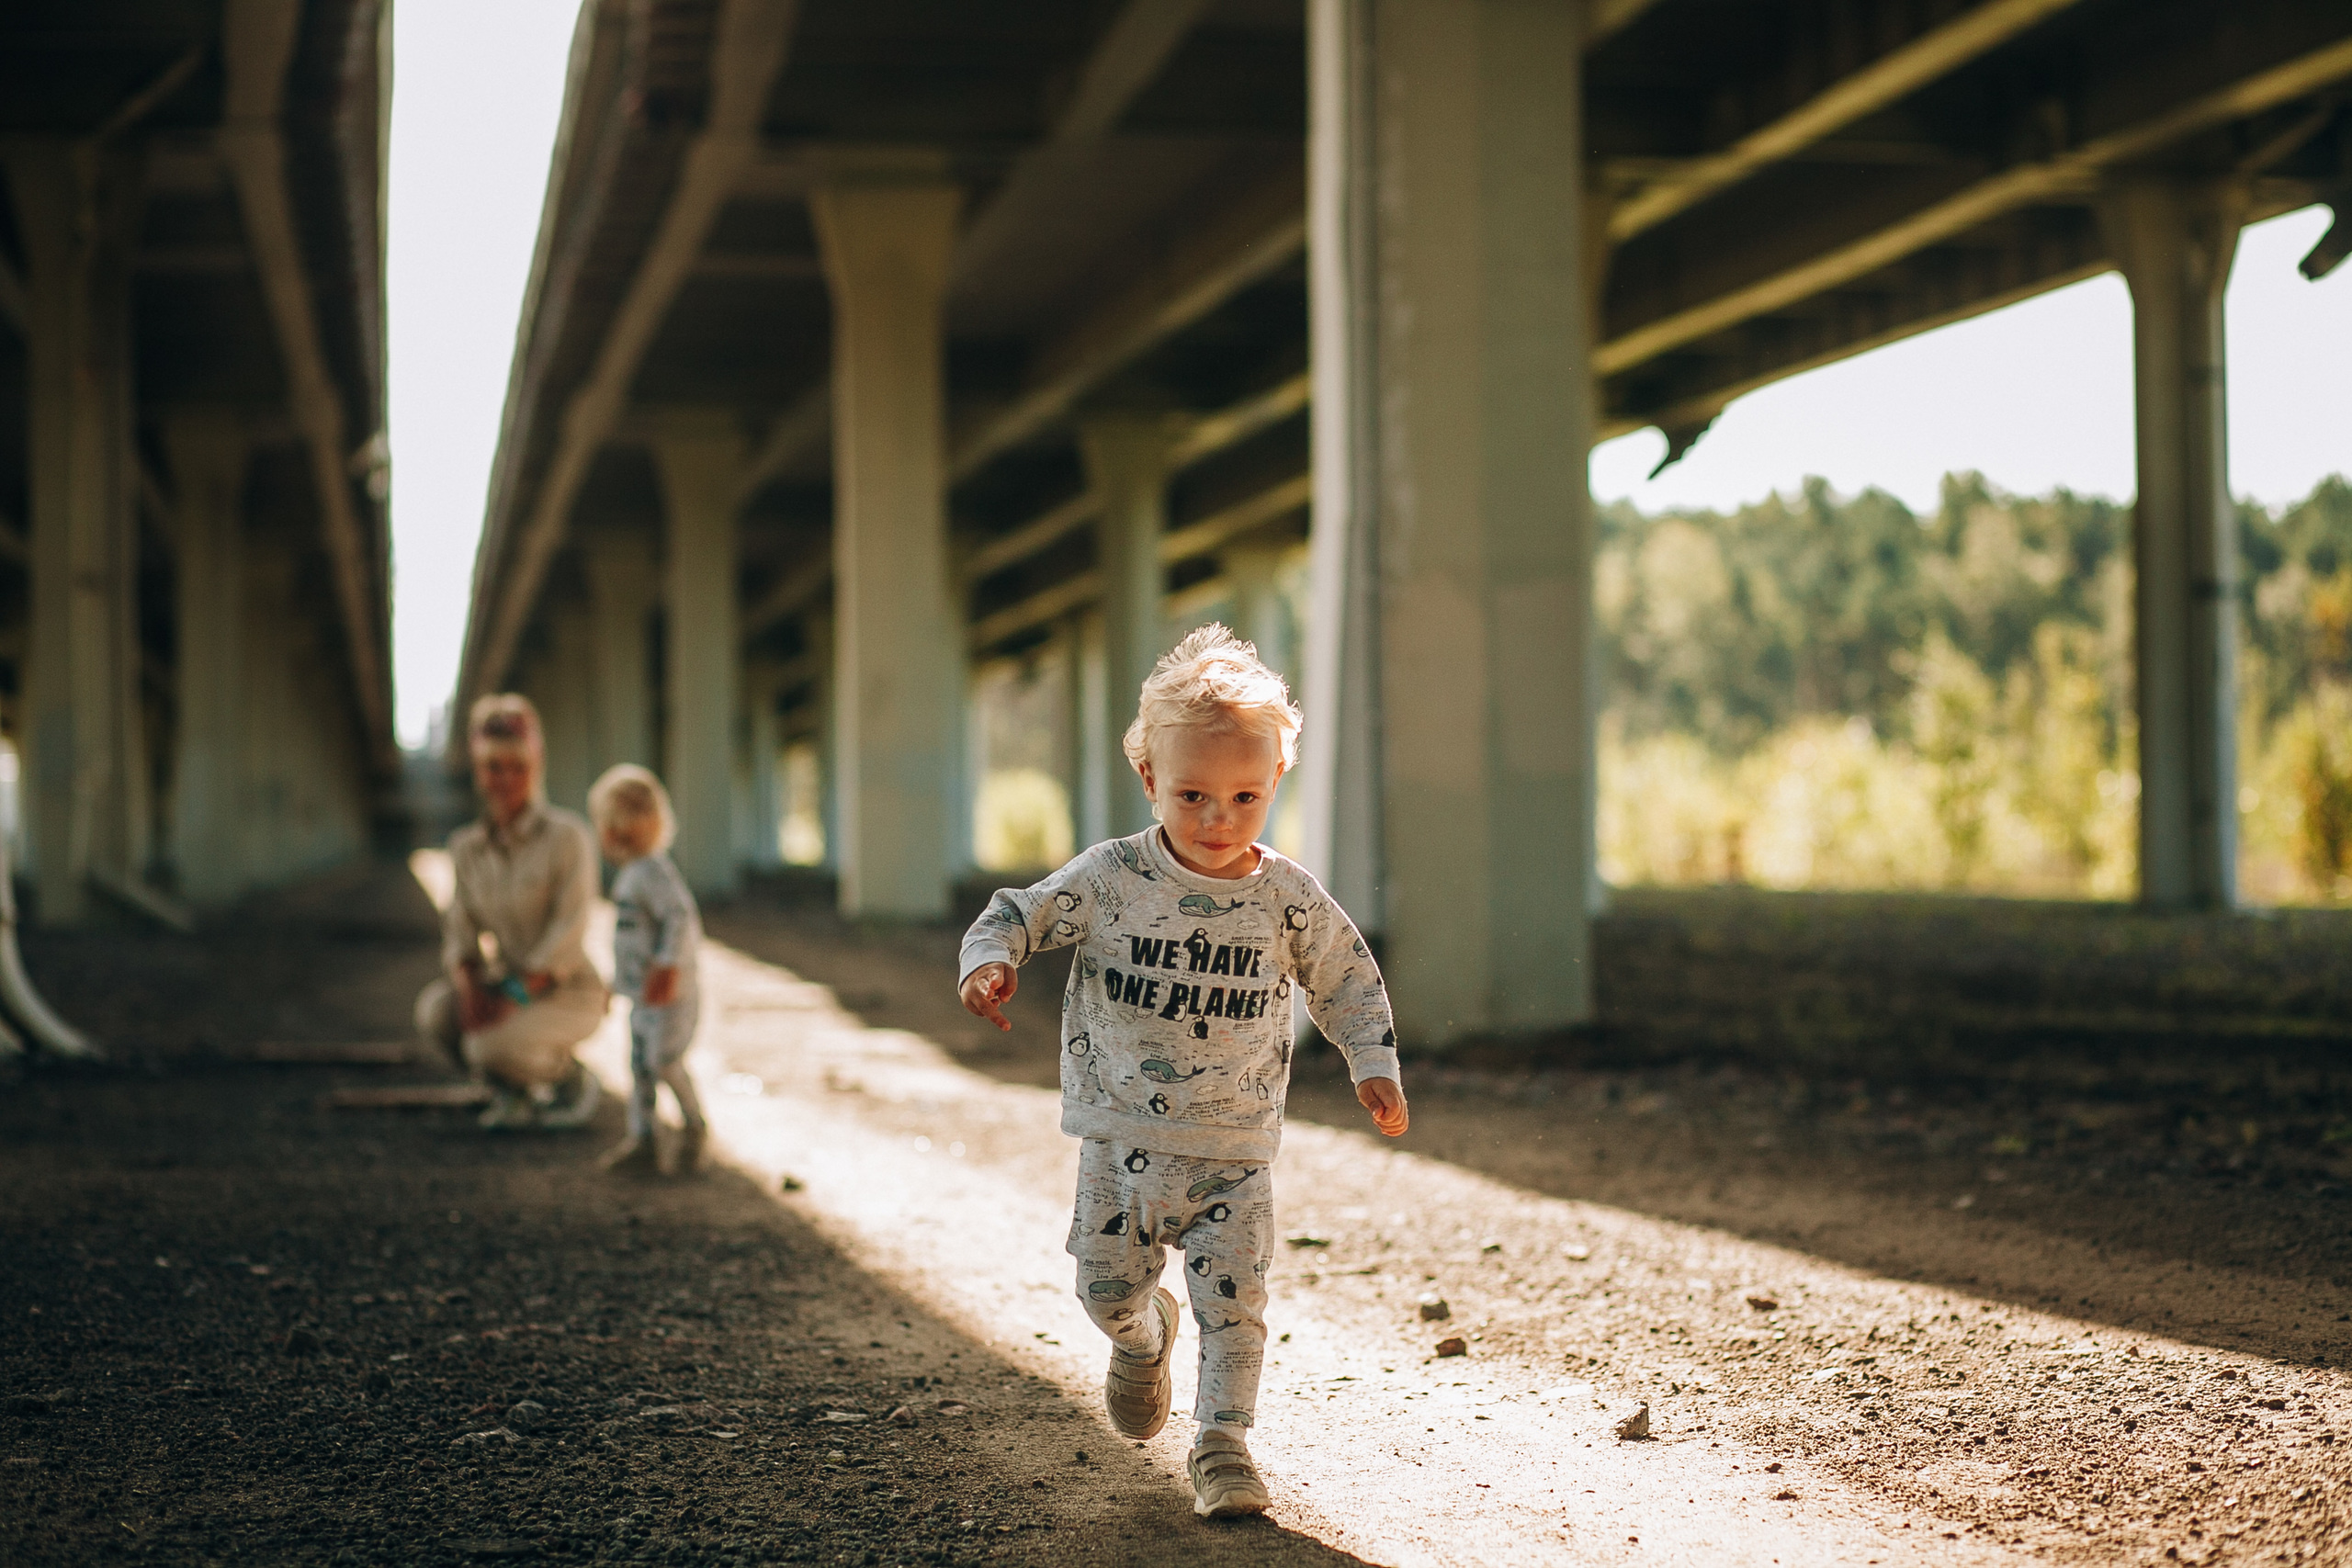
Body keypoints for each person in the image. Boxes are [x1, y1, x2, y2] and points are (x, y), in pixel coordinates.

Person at [956, 624, 1408, 1520]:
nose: (1217, 819)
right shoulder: (1112, 877)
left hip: (1234, 1150)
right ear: (1149, 780)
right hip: (1121, 1138)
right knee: (1101, 1286)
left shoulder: (1287, 898)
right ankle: (1140, 1335)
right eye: (1193, 795)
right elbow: (1018, 912)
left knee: (1235, 1308)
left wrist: (1372, 1062)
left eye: (1244, 796)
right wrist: (990, 961)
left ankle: (1223, 1446)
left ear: (1276, 781)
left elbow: (1346, 975)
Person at [413, 694, 608, 1130]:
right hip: (504, 984)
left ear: (536, 766)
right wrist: (470, 990)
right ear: (477, 771)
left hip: (567, 990)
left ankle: (567, 1078)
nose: (505, 779)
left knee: (487, 1047)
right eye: (493, 767)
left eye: (517, 767)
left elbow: (570, 929)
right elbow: (460, 929)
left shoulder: (568, 838)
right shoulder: (466, 848)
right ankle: (514, 1094)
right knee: (436, 1013)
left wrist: (515, 996)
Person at [587, 763, 707, 1177]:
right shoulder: (631, 876)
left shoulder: (652, 873)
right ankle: (643, 1139)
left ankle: (694, 1128)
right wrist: (615, 985)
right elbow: (628, 940)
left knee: (664, 1060)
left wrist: (668, 965)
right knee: (639, 1067)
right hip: (642, 996)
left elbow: (680, 918)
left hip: (669, 996)